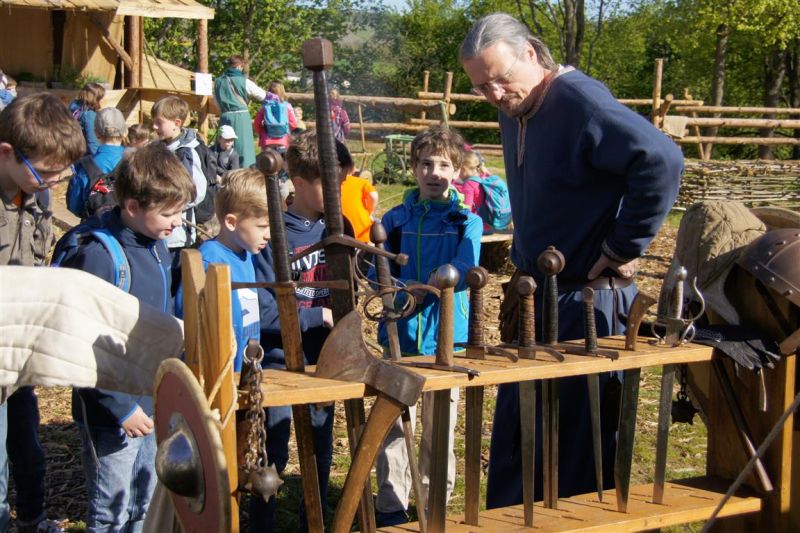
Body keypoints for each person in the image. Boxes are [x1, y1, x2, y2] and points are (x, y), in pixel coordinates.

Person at [459, 12, 683, 506]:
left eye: (500, 79)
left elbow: (661, 160)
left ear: (531, 54)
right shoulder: (516, 107)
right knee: (522, 435)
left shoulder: (582, 102)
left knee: (581, 450)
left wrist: (623, 246)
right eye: (481, 86)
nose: (494, 93)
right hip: (535, 299)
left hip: (586, 303)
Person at [56, 143, 195, 532]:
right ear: (132, 206)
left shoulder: (156, 243)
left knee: (145, 500)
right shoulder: (100, 258)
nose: (177, 222)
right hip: (111, 412)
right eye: (169, 213)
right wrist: (119, 408)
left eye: (180, 212)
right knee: (111, 509)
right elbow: (84, 343)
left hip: (151, 399)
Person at [373, 126, 482, 526]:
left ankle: (433, 500)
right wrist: (401, 295)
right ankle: (391, 504)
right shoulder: (395, 220)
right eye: (426, 164)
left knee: (440, 426)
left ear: (457, 171)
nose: (435, 173)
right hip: (400, 333)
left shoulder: (466, 222)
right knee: (393, 423)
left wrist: (437, 282)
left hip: (446, 336)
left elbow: (465, 266)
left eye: (444, 165)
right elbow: (378, 271)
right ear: (414, 167)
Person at [0, 93, 84, 533]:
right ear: (6, 153)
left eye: (60, 173)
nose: (52, 182)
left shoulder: (37, 195)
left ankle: (32, 518)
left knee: (27, 445)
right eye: (45, 172)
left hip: (21, 353)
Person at [250, 131, 340, 531]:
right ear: (299, 183)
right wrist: (315, 316)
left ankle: (314, 522)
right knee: (273, 450)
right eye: (328, 184)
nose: (337, 193)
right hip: (278, 361)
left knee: (319, 446)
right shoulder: (272, 236)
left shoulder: (338, 228)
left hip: (324, 358)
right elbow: (263, 310)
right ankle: (262, 525)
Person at [176, 168, 268, 372]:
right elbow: (191, 324)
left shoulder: (248, 255)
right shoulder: (209, 261)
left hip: (245, 370)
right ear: (231, 222)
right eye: (262, 226)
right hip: (218, 374)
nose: (268, 234)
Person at [151, 95, 208, 266]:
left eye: (159, 122)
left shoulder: (186, 152)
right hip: (157, 227)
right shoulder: (159, 148)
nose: (154, 127)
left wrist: (169, 207)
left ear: (176, 123)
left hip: (179, 233)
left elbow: (196, 192)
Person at [66, 107, 127, 219]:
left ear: (96, 133)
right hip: (129, 226)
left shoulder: (86, 166)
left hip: (97, 225)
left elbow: (74, 206)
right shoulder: (135, 161)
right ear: (125, 132)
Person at [213, 55, 266, 168]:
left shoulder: (218, 82)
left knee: (223, 149)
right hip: (241, 117)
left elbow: (216, 103)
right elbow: (262, 95)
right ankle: (245, 175)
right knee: (244, 151)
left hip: (225, 117)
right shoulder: (244, 81)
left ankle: (222, 173)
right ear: (239, 66)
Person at [339, 142, 378, 244]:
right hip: (362, 236)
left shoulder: (330, 185)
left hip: (342, 237)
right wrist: (370, 212)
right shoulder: (361, 182)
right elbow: (374, 196)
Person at [254, 81, 297, 155]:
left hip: (267, 142)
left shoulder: (264, 106)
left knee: (267, 161)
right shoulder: (287, 106)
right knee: (284, 162)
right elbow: (293, 124)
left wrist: (262, 132)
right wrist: (285, 130)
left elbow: (256, 124)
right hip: (283, 142)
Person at [69, 82, 106, 156]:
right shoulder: (89, 115)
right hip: (83, 153)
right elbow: (92, 142)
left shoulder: (73, 105)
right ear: (95, 98)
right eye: (100, 98)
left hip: (70, 148)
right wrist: (99, 157)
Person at [453, 150, 486, 216]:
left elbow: (466, 210)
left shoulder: (468, 185)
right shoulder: (481, 178)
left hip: (477, 220)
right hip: (485, 217)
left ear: (463, 169)